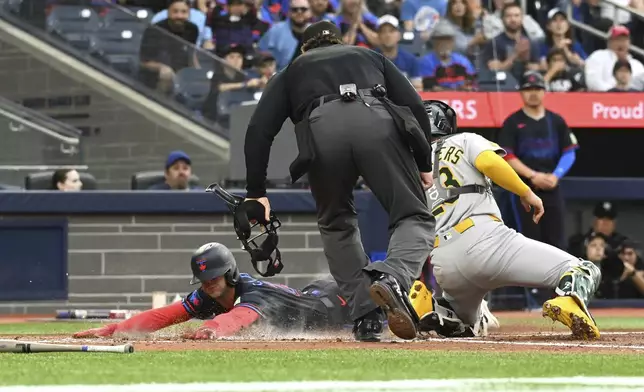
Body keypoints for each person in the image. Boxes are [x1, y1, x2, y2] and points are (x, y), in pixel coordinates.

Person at [242, 20, 436, 342]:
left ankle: (366, 317)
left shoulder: (291, 71)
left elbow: (258, 131)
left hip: (321, 131)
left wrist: (256, 192)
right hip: (375, 120)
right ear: (341, 41)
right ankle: (391, 276)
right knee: (413, 215)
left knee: (337, 224)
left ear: (304, 49)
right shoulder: (370, 56)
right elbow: (415, 106)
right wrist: (423, 161)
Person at [413, 100, 602, 340]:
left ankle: (433, 309)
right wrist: (526, 192)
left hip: (444, 260)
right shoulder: (464, 139)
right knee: (583, 270)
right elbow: (490, 162)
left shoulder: (412, 164)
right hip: (485, 239)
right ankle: (570, 300)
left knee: (464, 324)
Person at [72, 242, 352, 339]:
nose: (209, 283)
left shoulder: (251, 292)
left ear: (229, 273)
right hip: (313, 295)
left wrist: (212, 329)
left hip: (334, 304)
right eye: (204, 279)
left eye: (215, 277)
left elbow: (238, 318)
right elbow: (166, 315)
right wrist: (114, 329)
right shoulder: (210, 294)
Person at [497, 71, 578, 250]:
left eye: (537, 88)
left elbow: (569, 152)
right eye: (528, 89)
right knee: (528, 242)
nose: (533, 93)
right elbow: (507, 155)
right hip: (524, 189)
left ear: (544, 91)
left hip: (551, 186)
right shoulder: (512, 122)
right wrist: (533, 175)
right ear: (520, 92)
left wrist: (556, 176)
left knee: (556, 241)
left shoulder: (556, 120)